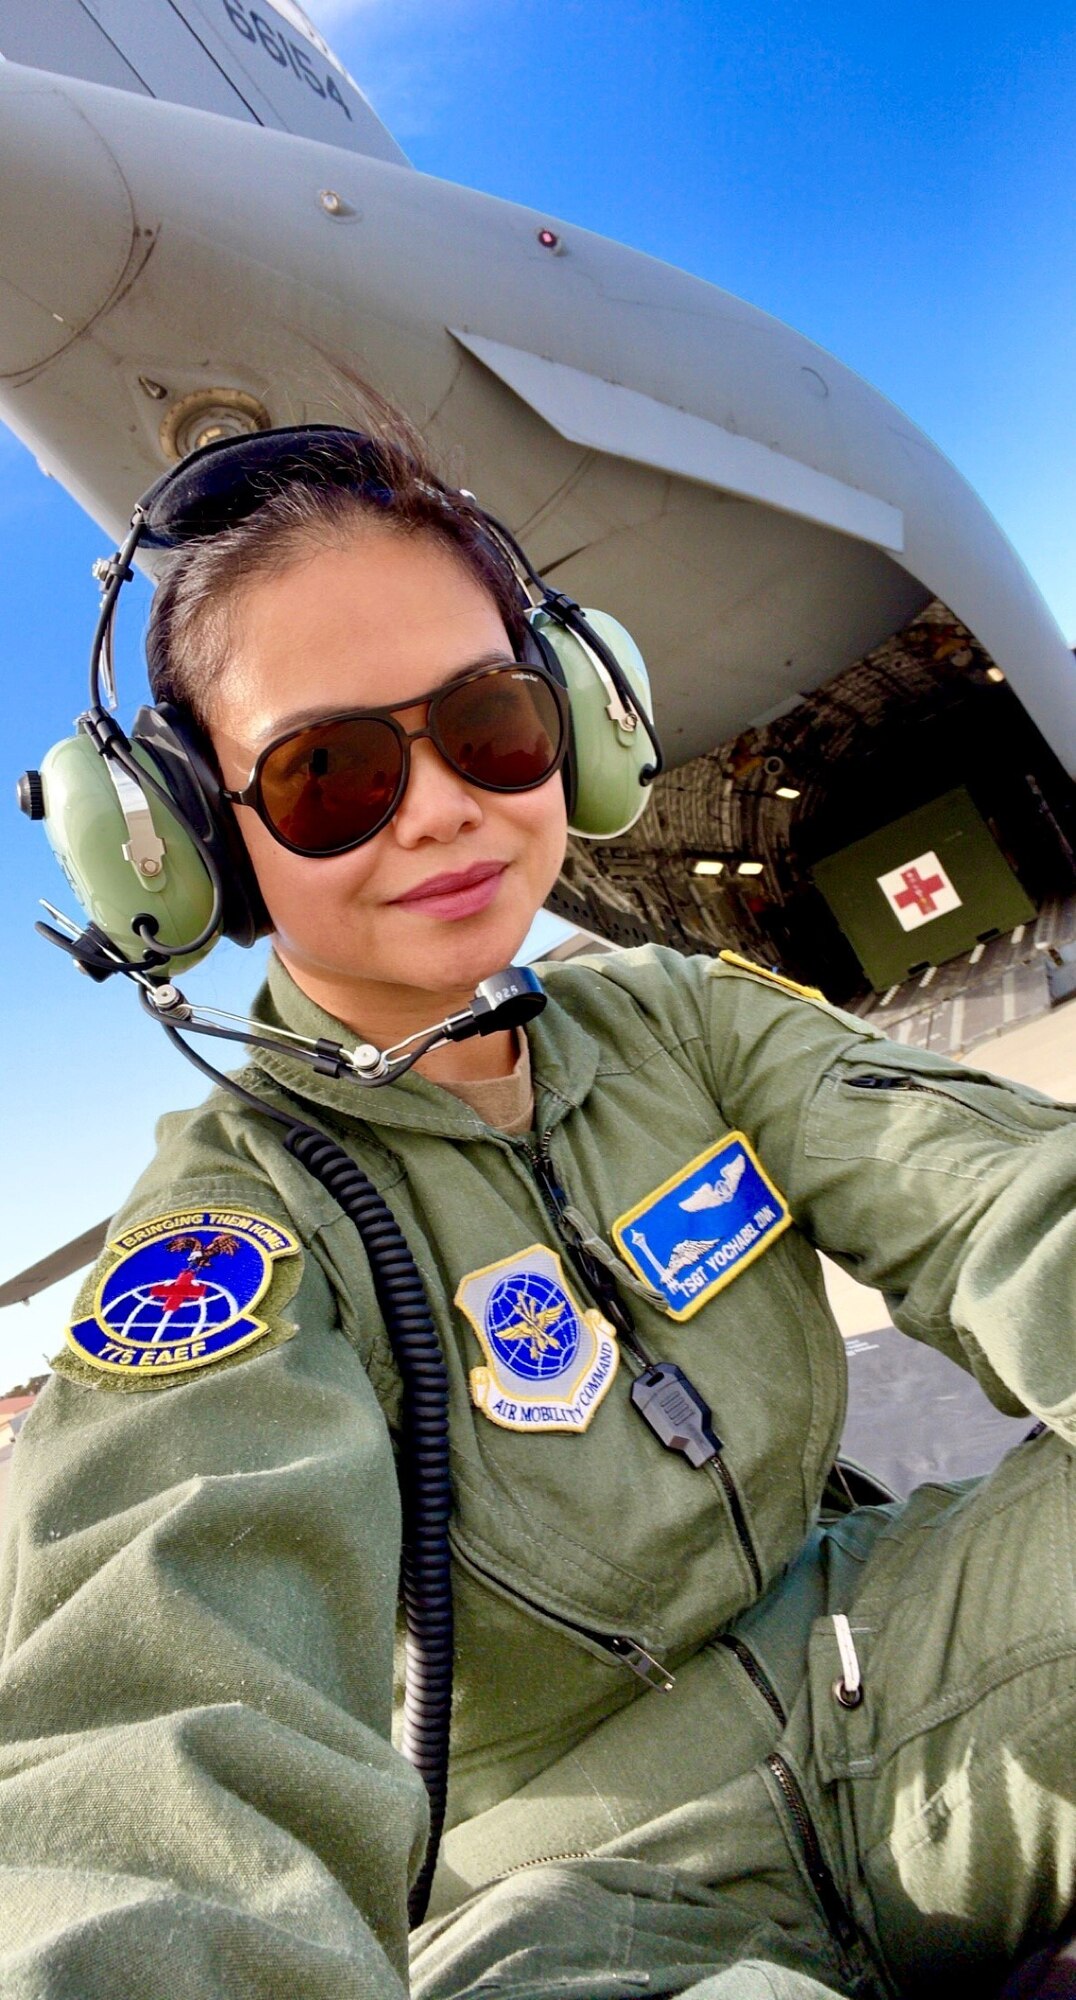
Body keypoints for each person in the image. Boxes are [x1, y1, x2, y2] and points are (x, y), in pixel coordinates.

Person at [1, 412, 1074, 2000]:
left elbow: (1007, 1206)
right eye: (331, 771)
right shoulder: (230, 1239)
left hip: (890, 1652)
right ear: (197, 841)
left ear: (576, 719)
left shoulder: (681, 1020)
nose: (436, 806)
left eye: (490, 726)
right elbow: (159, 1736)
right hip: (572, 1895)